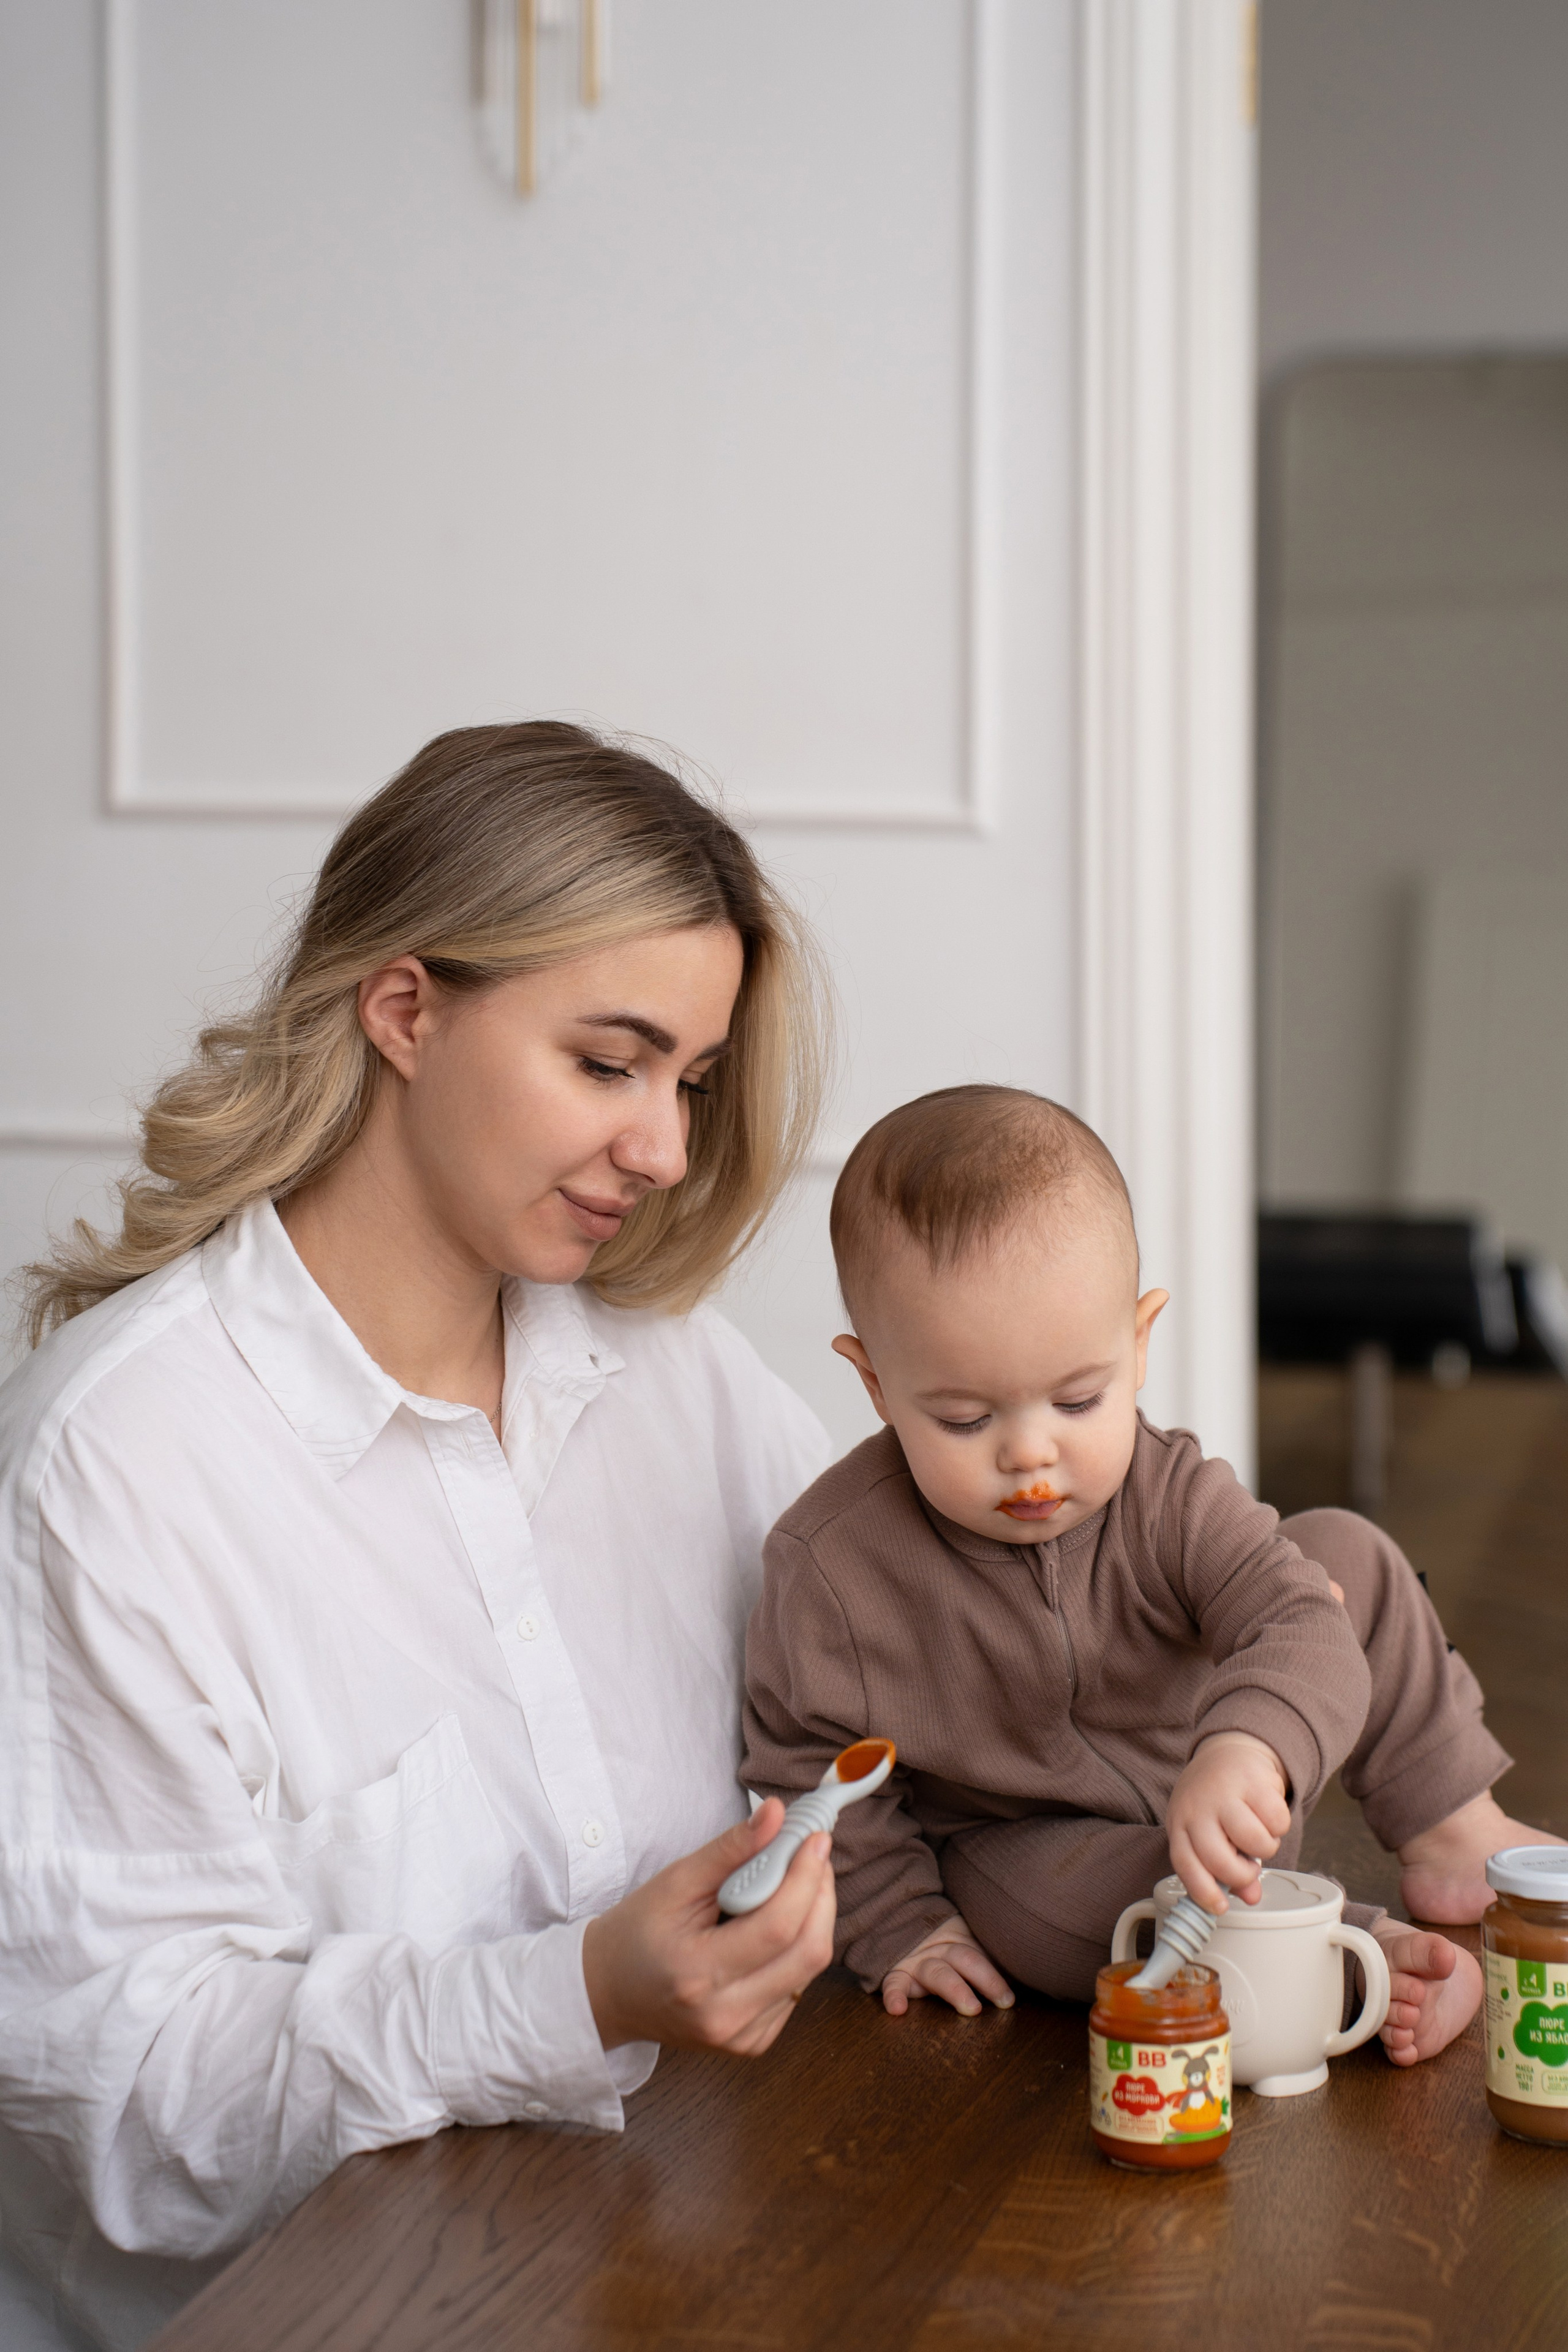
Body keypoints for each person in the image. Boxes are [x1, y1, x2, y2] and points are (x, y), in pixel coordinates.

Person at [0, 723, 840, 2352]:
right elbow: (129, 2104)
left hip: (661, 2273)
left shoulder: (679, 1386)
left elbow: (931, 1664)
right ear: (404, 1010)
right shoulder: (113, 1470)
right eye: (611, 1064)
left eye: (692, 1082)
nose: (664, 1150)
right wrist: (574, 1996)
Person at [742, 1085, 1565, 2064]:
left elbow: (1299, 1618)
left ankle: (1451, 1830)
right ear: (875, 1381)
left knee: (1343, 1553)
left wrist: (1247, 1744)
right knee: (1049, 1915)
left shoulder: (1170, 1490)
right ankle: (1347, 1951)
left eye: (1080, 1399)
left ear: (1137, 1344)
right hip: (1052, 1847)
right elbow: (812, 1773)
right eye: (966, 1420)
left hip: (1240, 1783)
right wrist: (901, 1927)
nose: (1031, 1457)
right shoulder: (833, 1570)